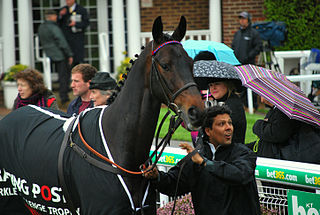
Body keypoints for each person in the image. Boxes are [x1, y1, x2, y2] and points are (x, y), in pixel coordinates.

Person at [145, 105, 261, 215]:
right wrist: (157, 177)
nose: (228, 128)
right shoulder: (197, 158)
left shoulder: (244, 153)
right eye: (222, 124)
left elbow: (240, 174)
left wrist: (205, 163)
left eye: (230, 123)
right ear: (208, 131)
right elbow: (174, 183)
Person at [193, 51, 247, 145]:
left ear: (227, 85)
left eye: (217, 84)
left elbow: (218, 131)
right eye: (210, 85)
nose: (213, 88)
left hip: (230, 154)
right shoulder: (219, 102)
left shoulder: (233, 104)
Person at [251, 96, 320, 164]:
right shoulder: (278, 109)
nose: (262, 100)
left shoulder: (284, 111)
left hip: (291, 157)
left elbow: (276, 134)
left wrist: (258, 124)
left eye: (263, 96)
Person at [38, 9, 73, 104]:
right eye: (55, 16)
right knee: (63, 75)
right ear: (51, 17)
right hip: (58, 54)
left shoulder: (41, 27)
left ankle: (49, 96)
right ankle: (64, 97)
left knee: (54, 75)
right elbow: (62, 41)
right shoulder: (53, 27)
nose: (56, 17)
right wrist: (69, 54)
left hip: (48, 53)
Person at [232, 11, 262, 110]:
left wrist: (248, 57)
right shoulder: (237, 34)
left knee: (251, 86)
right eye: (240, 18)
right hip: (238, 65)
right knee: (240, 87)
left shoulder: (254, 33)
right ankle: (243, 106)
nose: (242, 21)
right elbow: (233, 47)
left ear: (248, 20)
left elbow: (258, 48)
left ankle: (253, 106)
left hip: (249, 65)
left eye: (244, 18)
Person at [58, 0, 90, 66]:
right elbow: (58, 24)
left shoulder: (81, 10)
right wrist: (60, 15)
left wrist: (76, 24)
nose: (67, 2)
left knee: (78, 59)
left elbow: (86, 23)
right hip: (66, 39)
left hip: (77, 39)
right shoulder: (63, 10)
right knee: (66, 61)